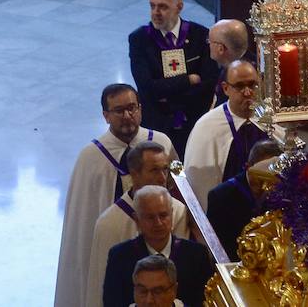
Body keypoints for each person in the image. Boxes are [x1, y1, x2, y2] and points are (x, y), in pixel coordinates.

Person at [54, 84, 177, 307]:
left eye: (132, 108)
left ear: (140, 108)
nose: (127, 116)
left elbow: (179, 193)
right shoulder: (90, 158)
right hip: (115, 241)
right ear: (106, 116)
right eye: (119, 111)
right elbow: (82, 223)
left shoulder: (162, 143)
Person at [85, 141, 193, 307]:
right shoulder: (109, 224)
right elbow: (105, 292)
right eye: (154, 170)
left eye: (165, 169)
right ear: (134, 174)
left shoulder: (178, 211)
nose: (163, 178)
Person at [128, 0, 219, 156]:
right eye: (152, 6)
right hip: (157, 125)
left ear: (179, 7)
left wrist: (167, 94)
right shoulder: (139, 40)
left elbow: (208, 83)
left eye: (162, 7)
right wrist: (188, 80)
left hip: (194, 122)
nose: (155, 13)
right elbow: (147, 88)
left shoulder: (200, 36)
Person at [100, 186, 214, 307]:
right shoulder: (120, 257)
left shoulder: (196, 255)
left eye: (163, 215)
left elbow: (205, 301)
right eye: (150, 217)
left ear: (172, 215)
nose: (158, 223)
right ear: (137, 220)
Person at [181, 61, 269, 209]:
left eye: (252, 85)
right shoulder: (206, 127)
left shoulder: (272, 118)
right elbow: (199, 185)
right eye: (240, 86)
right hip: (228, 213)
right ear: (226, 88)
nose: (248, 92)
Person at [206, 139, 281, 260]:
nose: (265, 183)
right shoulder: (220, 196)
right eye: (261, 175)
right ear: (248, 167)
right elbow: (217, 246)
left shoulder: (282, 192)